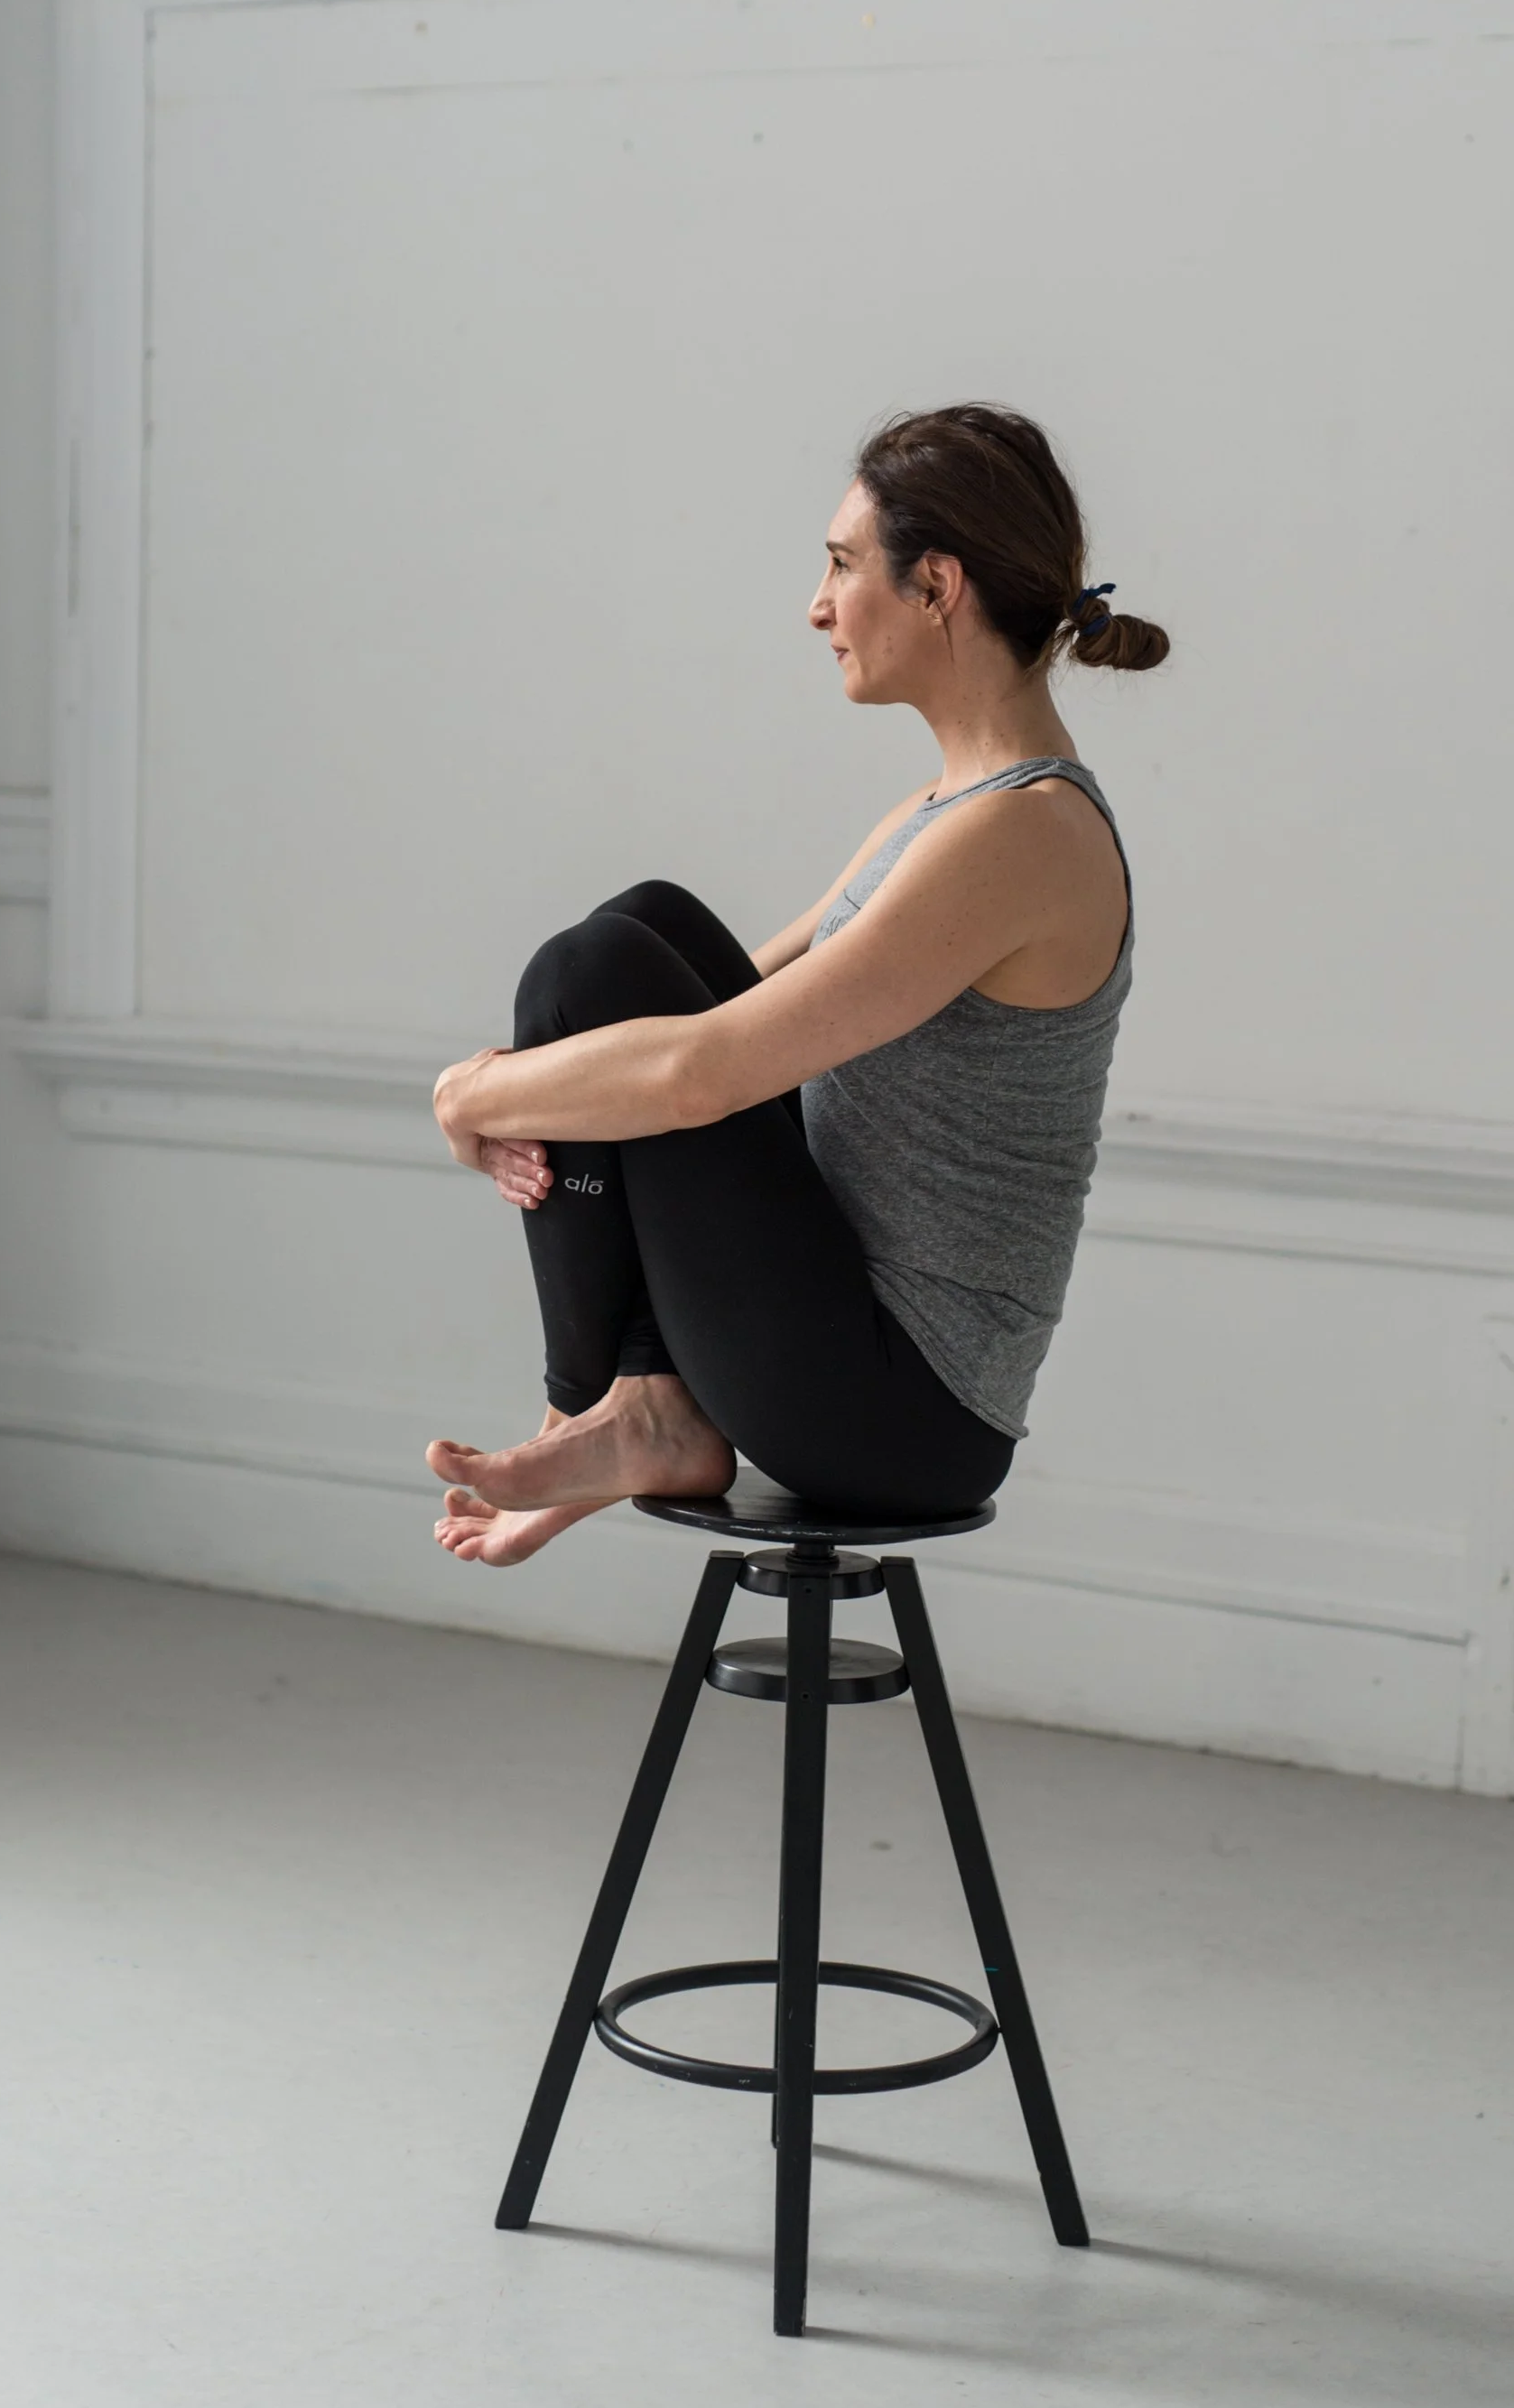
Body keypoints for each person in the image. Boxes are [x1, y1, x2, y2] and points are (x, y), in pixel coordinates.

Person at [426, 402, 1169, 1567]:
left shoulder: (1026, 836)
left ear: (935, 586)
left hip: (902, 1409)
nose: (816, 607)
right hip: (834, 1342)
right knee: (644, 926)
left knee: (596, 968)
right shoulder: (947, 813)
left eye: (838, 565)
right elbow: (717, 1015)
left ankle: (606, 1411)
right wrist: (507, 1086)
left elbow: (699, 1071)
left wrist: (476, 1096)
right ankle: (632, 1406)